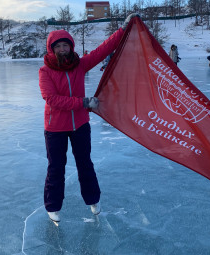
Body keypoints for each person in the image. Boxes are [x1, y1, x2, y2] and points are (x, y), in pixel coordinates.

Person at [38, 13, 138, 223]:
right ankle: (53, 205)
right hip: (55, 128)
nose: (62, 49)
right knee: (56, 167)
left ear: (71, 47)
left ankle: (93, 199)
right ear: (51, 49)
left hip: (80, 126)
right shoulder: (45, 71)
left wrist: (123, 28)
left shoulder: (80, 65)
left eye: (65, 45)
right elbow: (51, 98)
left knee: (85, 164)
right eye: (58, 46)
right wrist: (82, 103)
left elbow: (103, 50)